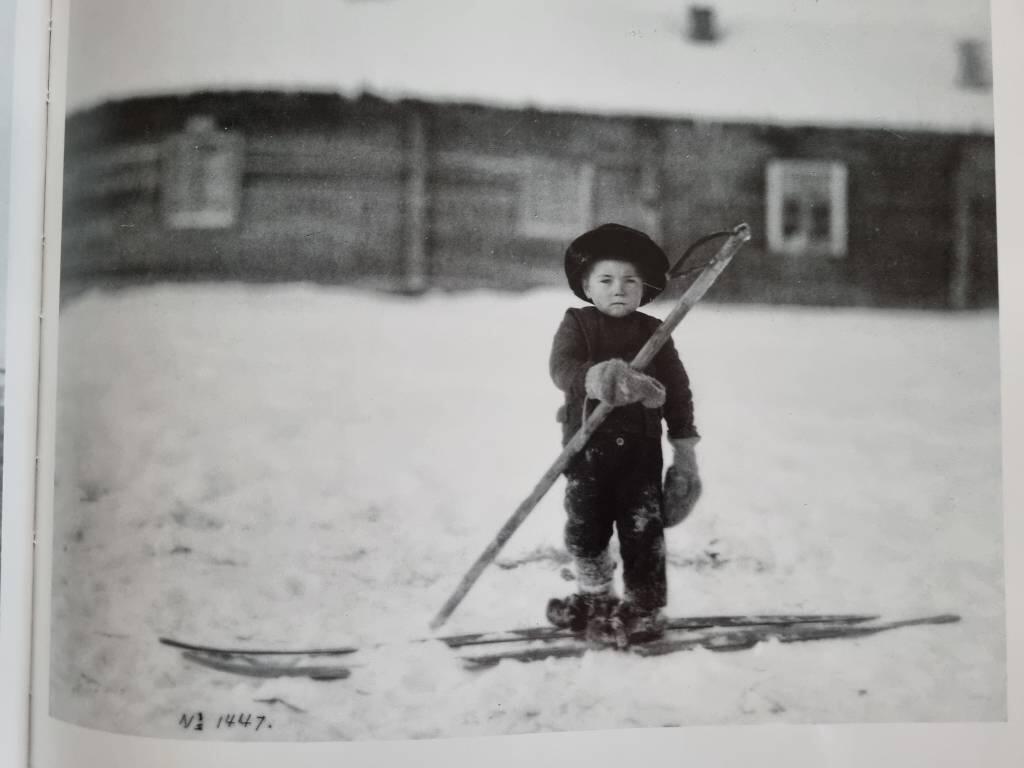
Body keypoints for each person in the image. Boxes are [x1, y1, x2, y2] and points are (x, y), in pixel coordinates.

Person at [547, 223, 702, 645]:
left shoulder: (656, 333)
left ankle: (644, 608)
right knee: (585, 529)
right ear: (586, 286)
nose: (619, 289)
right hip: (585, 453)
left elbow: (679, 392)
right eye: (606, 280)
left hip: (640, 454)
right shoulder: (577, 324)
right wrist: (596, 379)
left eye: (630, 281)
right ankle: (595, 596)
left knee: (642, 533)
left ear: (644, 288)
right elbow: (562, 369)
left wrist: (685, 452)